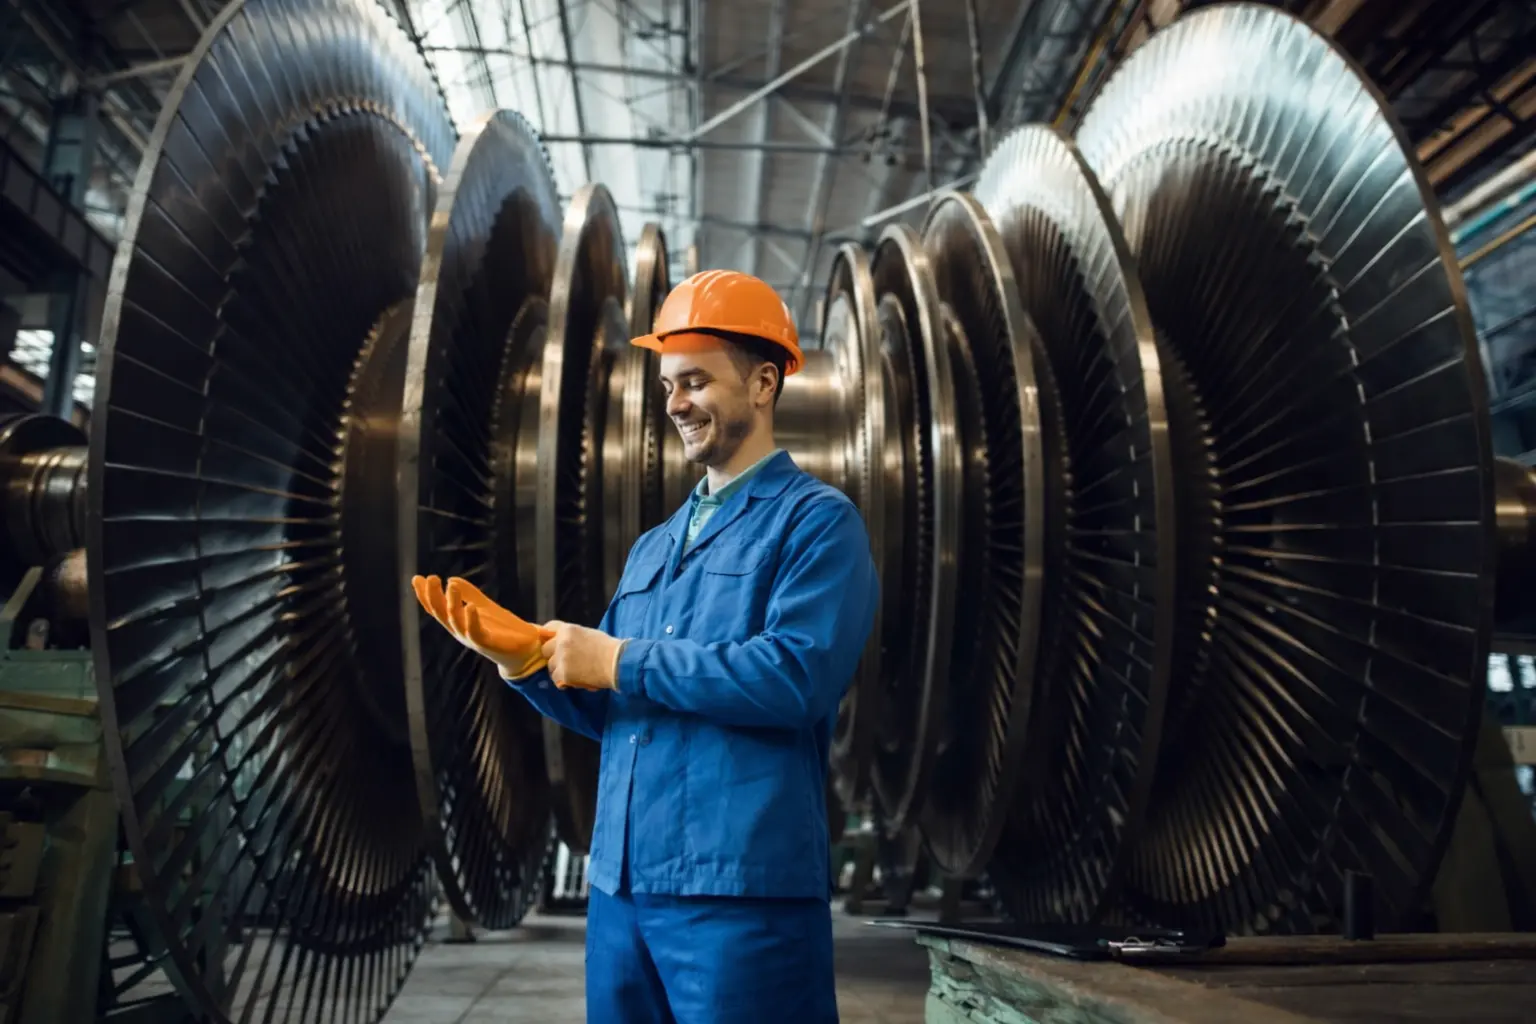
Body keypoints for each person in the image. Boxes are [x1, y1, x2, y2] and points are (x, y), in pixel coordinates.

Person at [411, 268, 880, 1023]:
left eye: (695, 381)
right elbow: (622, 713)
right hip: (623, 892)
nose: (676, 404)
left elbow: (796, 677)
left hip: (740, 895)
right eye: (668, 385)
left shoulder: (818, 526)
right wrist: (530, 664)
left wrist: (619, 659)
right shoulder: (654, 548)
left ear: (765, 383)